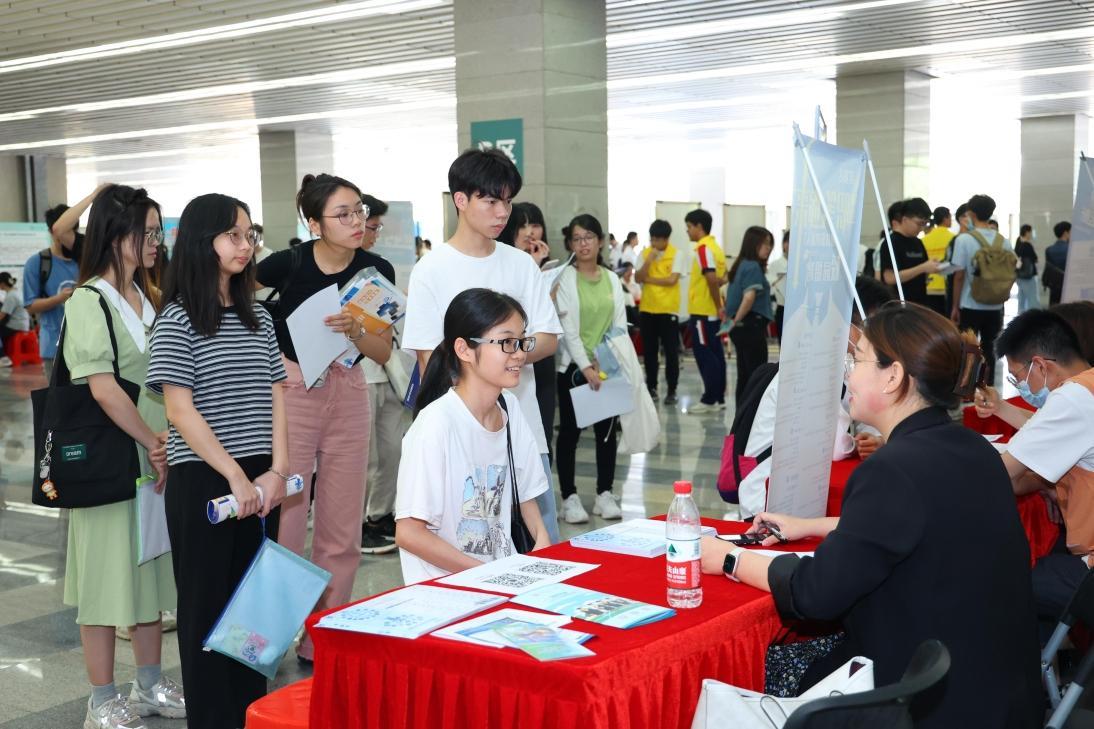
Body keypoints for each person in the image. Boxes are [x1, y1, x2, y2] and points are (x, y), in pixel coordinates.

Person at [701, 302, 1042, 728]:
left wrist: (729, 558)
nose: (847, 373)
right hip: (993, 690)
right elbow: (919, 525)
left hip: (916, 698)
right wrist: (808, 526)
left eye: (857, 359)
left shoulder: (892, 469)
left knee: (746, 672)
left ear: (893, 376)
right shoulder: (972, 449)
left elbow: (815, 593)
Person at [148, 193, 286, 729]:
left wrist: (278, 470)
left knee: (254, 611)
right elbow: (179, 410)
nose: (245, 245)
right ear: (202, 242)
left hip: (260, 476)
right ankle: (212, 719)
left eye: (250, 234)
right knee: (206, 609)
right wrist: (234, 476)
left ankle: (251, 714)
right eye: (234, 235)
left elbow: (277, 395)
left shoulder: (260, 317)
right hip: (205, 477)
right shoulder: (178, 318)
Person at [255, 174, 394, 662]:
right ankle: (267, 638)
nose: (357, 222)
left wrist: (357, 329)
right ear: (314, 224)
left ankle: (322, 639)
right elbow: (231, 296)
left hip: (349, 389)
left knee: (342, 526)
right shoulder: (287, 263)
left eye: (360, 211)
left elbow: (382, 350)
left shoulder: (376, 270)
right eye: (343, 214)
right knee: (287, 521)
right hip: (294, 391)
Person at [62, 185, 183, 729]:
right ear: (117, 236)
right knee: (104, 579)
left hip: (153, 458)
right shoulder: (88, 300)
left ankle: (150, 684)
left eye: (159, 231)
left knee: (149, 574)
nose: (156, 242)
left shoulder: (146, 295)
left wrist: (163, 443)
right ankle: (101, 699)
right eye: (147, 232)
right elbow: (103, 387)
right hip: (113, 460)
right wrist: (152, 440)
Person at [402, 149, 563, 543]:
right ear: (461, 200)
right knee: (475, 544)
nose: (502, 212)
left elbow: (547, 338)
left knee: (542, 543)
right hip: (461, 436)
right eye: (491, 201)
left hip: (523, 426)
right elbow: (429, 360)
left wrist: (501, 352)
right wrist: (497, 355)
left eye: (507, 201)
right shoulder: (430, 270)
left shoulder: (520, 264)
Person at [394, 289, 551, 584]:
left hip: (501, 578)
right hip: (447, 589)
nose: (519, 353)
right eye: (506, 342)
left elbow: (526, 494)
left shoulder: (510, 407)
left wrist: (541, 544)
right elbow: (409, 533)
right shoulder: (436, 424)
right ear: (464, 349)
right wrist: (486, 574)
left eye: (522, 341)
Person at [736, 276, 894, 518]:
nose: (879, 338)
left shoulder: (841, 360)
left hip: (802, 486)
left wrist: (874, 438)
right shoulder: (812, 367)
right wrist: (857, 443)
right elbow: (836, 448)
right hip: (766, 498)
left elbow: (864, 413)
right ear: (845, 324)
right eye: (871, 327)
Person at [991, 310, 1094, 635]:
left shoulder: (1072, 398)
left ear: (1040, 365)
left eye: (1018, 377)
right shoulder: (1087, 387)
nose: (1020, 386)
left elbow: (1001, 474)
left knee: (999, 582)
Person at [553, 214, 627, 524]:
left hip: (607, 366)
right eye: (577, 238)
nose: (583, 244)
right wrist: (585, 366)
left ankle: (604, 493)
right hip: (573, 369)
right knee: (570, 433)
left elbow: (619, 324)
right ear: (570, 244)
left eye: (589, 237)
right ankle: (569, 497)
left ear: (600, 241)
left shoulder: (612, 279)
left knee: (606, 434)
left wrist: (603, 362)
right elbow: (568, 329)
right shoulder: (565, 278)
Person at [358, 194, 404, 555]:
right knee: (366, 457)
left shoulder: (379, 267)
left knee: (392, 451)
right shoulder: (336, 267)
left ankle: (379, 514)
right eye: (372, 227)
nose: (375, 234)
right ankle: (357, 524)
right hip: (360, 373)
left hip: (388, 370)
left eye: (377, 227)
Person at [24, 185, 107, 378]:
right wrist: (59, 298)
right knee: (58, 396)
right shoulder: (38, 263)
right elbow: (30, 305)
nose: (70, 237)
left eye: (73, 231)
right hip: (54, 347)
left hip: (88, 346)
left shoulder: (85, 258)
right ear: (52, 233)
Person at [498, 201, 558, 465]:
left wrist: (540, 268)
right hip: (506, 358)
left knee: (541, 430)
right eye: (522, 225)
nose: (530, 232)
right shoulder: (503, 263)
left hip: (539, 355)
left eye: (535, 224)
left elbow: (549, 320)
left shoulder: (546, 264)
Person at [950, 194, 1013, 385]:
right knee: (990, 349)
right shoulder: (1003, 241)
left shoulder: (964, 240)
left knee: (969, 349)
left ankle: (966, 390)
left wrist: (955, 305)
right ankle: (987, 388)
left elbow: (959, 275)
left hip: (970, 304)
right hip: (995, 305)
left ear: (971, 213)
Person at [635, 219, 686, 404]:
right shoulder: (644, 254)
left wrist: (649, 280)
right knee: (650, 352)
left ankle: (672, 390)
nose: (654, 243)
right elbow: (638, 277)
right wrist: (649, 261)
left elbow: (672, 280)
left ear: (666, 239)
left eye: (658, 239)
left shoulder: (677, 254)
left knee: (671, 352)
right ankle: (651, 387)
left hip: (668, 310)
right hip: (648, 309)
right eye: (652, 239)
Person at [725, 226, 774, 406]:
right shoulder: (753, 266)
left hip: (741, 329)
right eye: (764, 243)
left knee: (744, 376)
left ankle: (741, 416)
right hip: (750, 326)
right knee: (756, 376)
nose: (768, 248)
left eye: (770, 244)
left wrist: (733, 322)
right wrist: (736, 319)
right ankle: (751, 416)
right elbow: (749, 297)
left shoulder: (741, 264)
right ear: (753, 243)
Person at [684, 208, 727, 413]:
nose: (687, 231)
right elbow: (723, 277)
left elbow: (711, 279)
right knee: (716, 353)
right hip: (710, 310)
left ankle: (710, 399)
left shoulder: (703, 248)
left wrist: (718, 306)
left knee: (704, 354)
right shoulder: (716, 248)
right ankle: (718, 398)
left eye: (689, 227)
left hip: (703, 311)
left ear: (699, 227)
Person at [878, 198, 940, 307]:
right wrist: (922, 268)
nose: (922, 228)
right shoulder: (891, 243)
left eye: (925, 224)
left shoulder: (918, 242)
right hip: (900, 305)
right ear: (905, 219)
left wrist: (931, 268)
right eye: (919, 223)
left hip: (920, 302)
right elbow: (889, 278)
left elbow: (922, 272)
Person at [920, 206, 953, 315]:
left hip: (929, 286)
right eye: (950, 217)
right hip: (947, 286)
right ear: (945, 219)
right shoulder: (954, 238)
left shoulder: (924, 240)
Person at [0, 272, 31, 367]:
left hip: (16, 325)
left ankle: (3, 358)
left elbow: (2, 316)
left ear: (2, 284)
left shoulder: (11, 296)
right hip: (23, 324)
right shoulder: (17, 292)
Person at [766, 229, 789, 343]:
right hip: (782, 308)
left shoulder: (802, 264)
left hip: (799, 310)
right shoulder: (775, 265)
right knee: (784, 343)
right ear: (784, 244)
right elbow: (770, 288)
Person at [1014, 223, 1040, 313]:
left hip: (1019, 275)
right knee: (1032, 298)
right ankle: (1034, 317)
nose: (1031, 234)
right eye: (1031, 232)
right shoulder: (1027, 245)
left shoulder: (1018, 243)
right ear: (1027, 232)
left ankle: (1021, 316)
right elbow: (1035, 259)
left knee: (1022, 299)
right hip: (1028, 276)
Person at [1044, 221, 1071, 305]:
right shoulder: (1071, 249)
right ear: (1066, 233)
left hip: (1054, 285)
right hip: (1068, 284)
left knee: (1055, 307)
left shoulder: (1049, 249)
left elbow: (1049, 268)